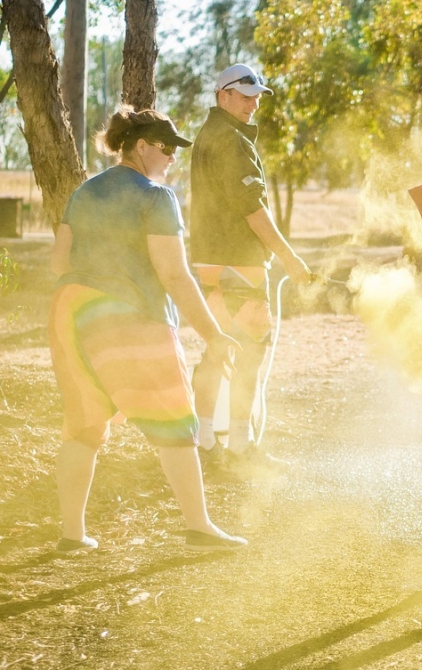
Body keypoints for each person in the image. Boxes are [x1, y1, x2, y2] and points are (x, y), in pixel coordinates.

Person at [49, 106, 247, 553]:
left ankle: (72, 534)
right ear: (140, 146)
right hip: (129, 316)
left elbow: (59, 263)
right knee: (175, 421)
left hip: (72, 314)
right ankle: (200, 528)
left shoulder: (84, 193)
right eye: (166, 148)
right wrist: (214, 334)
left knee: (83, 425)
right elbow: (175, 276)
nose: (173, 157)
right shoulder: (155, 197)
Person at [189, 63, 312, 472]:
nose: (253, 104)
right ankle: (236, 446)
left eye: (257, 96)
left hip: (211, 260)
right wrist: (289, 258)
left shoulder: (212, 134)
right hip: (237, 264)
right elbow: (252, 209)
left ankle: (207, 442)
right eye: (245, 96)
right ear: (223, 95)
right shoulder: (231, 140)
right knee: (249, 352)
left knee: (217, 348)